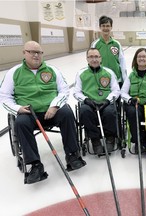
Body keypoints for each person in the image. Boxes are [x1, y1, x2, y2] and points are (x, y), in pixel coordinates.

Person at [0, 41, 86, 184]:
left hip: (51, 111)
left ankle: (72, 155)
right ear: (24, 53)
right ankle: (35, 165)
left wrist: (54, 106)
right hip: (29, 113)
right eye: (32, 52)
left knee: (67, 113)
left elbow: (64, 90)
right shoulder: (14, 73)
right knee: (20, 123)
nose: (36, 55)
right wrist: (18, 109)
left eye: (39, 52)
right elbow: (4, 97)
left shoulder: (52, 70)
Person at [73, 48, 120, 156]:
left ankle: (110, 137)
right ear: (87, 59)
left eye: (96, 57)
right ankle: (95, 139)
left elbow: (116, 90)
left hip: (105, 103)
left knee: (110, 112)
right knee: (84, 111)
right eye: (91, 57)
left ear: (100, 58)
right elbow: (76, 92)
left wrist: (108, 101)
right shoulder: (81, 73)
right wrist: (86, 100)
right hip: (90, 104)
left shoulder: (109, 72)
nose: (94, 59)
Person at [90, 15, 127, 87]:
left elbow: (122, 62)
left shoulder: (117, 44)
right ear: (100, 27)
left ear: (111, 27)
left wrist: (125, 79)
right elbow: (91, 62)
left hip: (117, 80)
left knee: (117, 98)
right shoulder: (95, 44)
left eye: (107, 26)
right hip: (101, 80)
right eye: (103, 26)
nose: (105, 28)